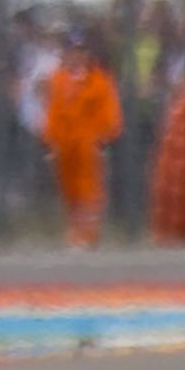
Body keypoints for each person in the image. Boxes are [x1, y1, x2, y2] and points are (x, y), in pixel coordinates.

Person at [41, 33, 126, 247]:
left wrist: (103, 138)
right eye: (72, 52)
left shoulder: (99, 80)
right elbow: (53, 112)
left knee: (89, 190)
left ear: (88, 55)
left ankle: (88, 236)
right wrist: (51, 142)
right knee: (69, 190)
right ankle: (74, 233)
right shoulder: (59, 80)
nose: (76, 57)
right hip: (65, 144)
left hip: (88, 143)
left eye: (80, 52)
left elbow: (109, 113)